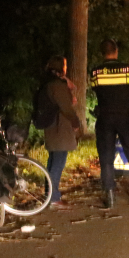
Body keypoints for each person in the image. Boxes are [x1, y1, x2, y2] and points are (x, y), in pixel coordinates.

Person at [90, 39, 129, 208]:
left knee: (106, 157)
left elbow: (96, 90)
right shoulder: (128, 69)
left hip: (105, 118)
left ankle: (110, 197)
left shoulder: (95, 72)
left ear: (103, 53)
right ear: (116, 51)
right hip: (125, 117)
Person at [40, 55, 81, 208]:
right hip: (59, 127)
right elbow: (66, 107)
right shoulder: (56, 85)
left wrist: (66, 81)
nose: (66, 67)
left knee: (53, 161)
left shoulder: (50, 82)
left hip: (53, 127)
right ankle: (53, 198)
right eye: (64, 65)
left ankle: (49, 194)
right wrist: (75, 121)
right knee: (58, 161)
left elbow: (72, 89)